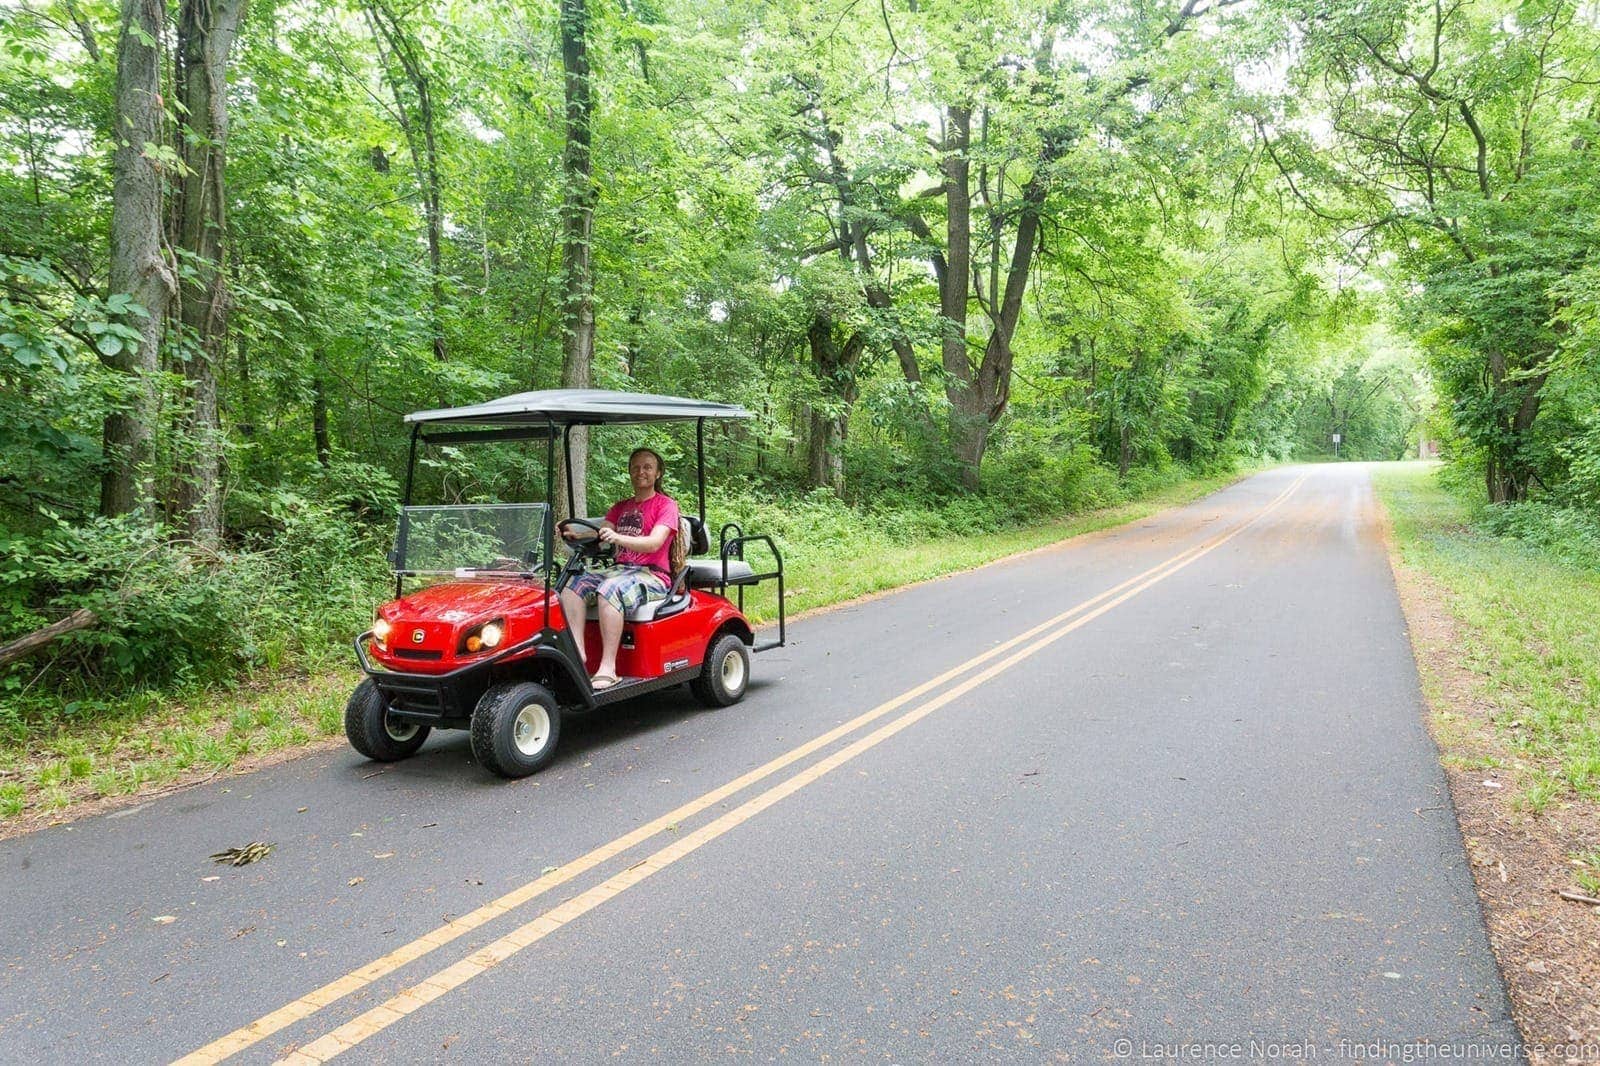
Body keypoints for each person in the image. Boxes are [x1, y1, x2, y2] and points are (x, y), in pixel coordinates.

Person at [558, 447, 679, 689]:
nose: (640, 472)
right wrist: (573, 534)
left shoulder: (666, 505)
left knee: (609, 588)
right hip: (620, 570)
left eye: (647, 467)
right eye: (635, 467)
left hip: (652, 574)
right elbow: (600, 535)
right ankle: (578, 656)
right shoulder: (620, 507)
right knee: (573, 585)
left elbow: (654, 542)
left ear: (657, 473)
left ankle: (608, 668)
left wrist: (617, 538)